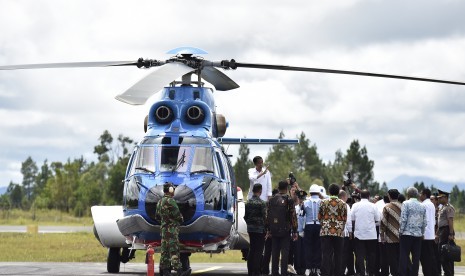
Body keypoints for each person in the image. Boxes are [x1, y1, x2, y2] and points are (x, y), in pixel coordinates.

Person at [156, 182, 191, 276]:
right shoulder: (171, 201)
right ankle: (179, 271)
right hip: (172, 231)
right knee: (174, 250)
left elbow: (157, 217)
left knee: (165, 252)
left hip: (163, 231)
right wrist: (181, 219)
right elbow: (178, 215)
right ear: (170, 190)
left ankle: (166, 272)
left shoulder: (159, 202)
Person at [266, 180, 298, 276]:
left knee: (275, 252)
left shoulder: (271, 200)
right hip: (285, 230)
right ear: (286, 188)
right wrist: (295, 230)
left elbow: (267, 215)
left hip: (274, 230)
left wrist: (268, 229)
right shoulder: (289, 200)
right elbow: (293, 216)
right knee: (285, 253)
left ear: (278, 188)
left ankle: (274, 272)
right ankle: (284, 272)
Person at [319, 184, 347, 276]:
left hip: (326, 231)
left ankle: (326, 274)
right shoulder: (343, 203)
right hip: (338, 232)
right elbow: (345, 218)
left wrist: (324, 224)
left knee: (326, 255)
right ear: (338, 192)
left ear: (329, 191)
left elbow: (319, 217)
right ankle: (337, 273)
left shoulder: (323, 202)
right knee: (338, 255)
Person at [398, 187, 427, 276]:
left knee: (404, 256)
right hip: (418, 235)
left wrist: (400, 231)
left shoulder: (405, 203)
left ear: (408, 195)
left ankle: (403, 274)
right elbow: (424, 222)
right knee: (416, 258)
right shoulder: (422, 205)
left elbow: (403, 219)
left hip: (406, 234)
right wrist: (422, 233)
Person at [351, 189, 379, 276]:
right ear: (369, 196)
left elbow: (352, 219)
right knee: (371, 255)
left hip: (359, 235)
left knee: (360, 255)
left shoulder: (355, 205)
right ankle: (370, 273)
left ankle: (362, 273)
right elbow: (377, 219)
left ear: (360, 196)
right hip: (371, 235)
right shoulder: (373, 206)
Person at [244, 183, 267, 276]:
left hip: (250, 229)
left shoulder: (248, 202)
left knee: (252, 249)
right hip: (260, 230)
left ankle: (250, 271)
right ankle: (256, 271)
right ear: (260, 191)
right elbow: (265, 217)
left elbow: (245, 216)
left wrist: (250, 224)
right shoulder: (262, 203)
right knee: (259, 251)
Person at [379, 189, 402, 276]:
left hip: (390, 237)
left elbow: (383, 222)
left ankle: (394, 273)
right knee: (400, 257)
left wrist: (382, 236)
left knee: (392, 259)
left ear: (389, 196)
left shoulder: (387, 207)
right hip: (401, 236)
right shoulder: (403, 206)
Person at [304, 184, 323, 276]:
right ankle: (317, 268)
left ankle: (308, 268)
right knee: (318, 247)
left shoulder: (305, 202)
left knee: (308, 247)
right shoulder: (323, 202)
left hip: (308, 226)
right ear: (318, 192)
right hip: (319, 226)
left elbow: (301, 216)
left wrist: (300, 229)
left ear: (310, 192)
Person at [436, 189, 455, 276]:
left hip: (446, 231)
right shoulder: (442, 208)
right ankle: (447, 272)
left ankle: (448, 273)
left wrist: (451, 234)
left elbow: (450, 221)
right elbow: (440, 223)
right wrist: (437, 233)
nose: (438, 199)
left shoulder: (448, 208)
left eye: (440, 197)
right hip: (441, 231)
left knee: (446, 254)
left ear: (445, 198)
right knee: (442, 253)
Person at [420, 189, 438, 276]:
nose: (419, 195)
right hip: (431, 235)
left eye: (421, 193)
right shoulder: (431, 204)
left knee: (424, 258)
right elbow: (433, 221)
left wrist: (422, 233)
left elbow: (424, 220)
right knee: (431, 257)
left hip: (425, 235)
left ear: (424, 195)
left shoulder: (423, 205)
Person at [262, 188, 279, 275]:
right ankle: (272, 271)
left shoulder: (267, 204)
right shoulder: (275, 204)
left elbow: (265, 219)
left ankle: (266, 270)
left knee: (268, 252)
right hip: (273, 231)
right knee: (272, 252)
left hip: (268, 231)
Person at [339, 190, 355, 276]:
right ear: (344, 197)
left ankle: (337, 270)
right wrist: (350, 232)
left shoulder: (332, 203)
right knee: (344, 253)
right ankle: (341, 271)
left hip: (335, 232)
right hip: (344, 232)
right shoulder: (345, 206)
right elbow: (348, 220)